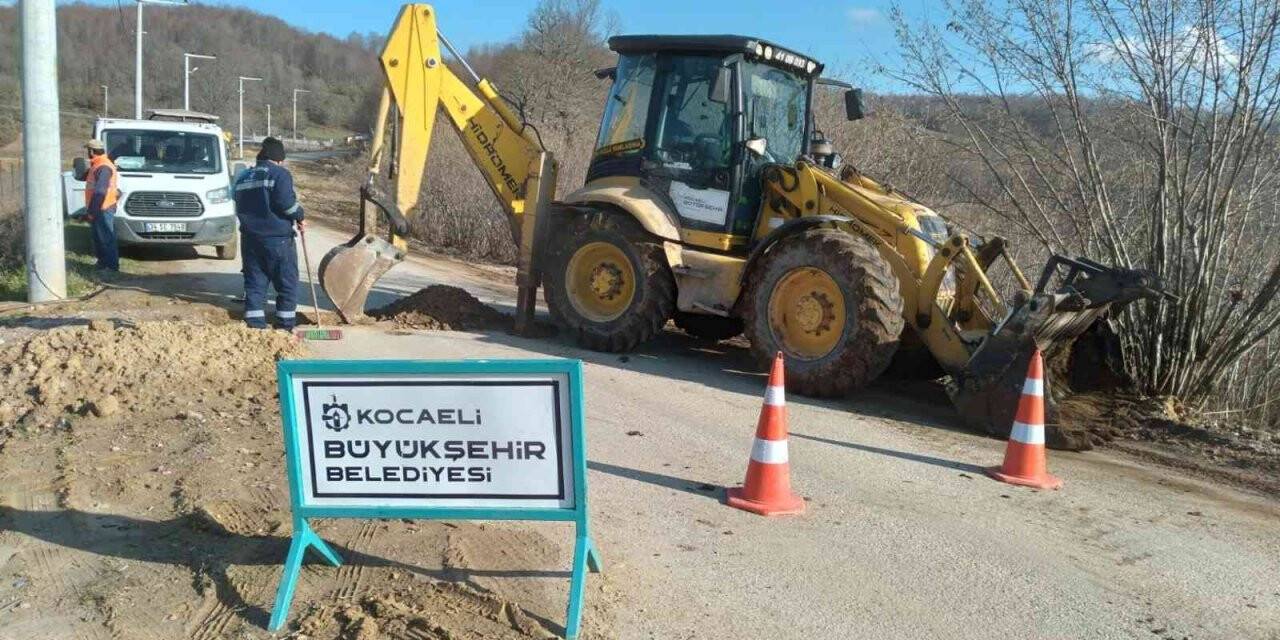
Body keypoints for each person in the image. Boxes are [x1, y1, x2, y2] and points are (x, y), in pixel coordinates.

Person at [234, 137, 304, 330]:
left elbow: (237, 201)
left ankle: (255, 326)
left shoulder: (243, 177)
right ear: (279, 159)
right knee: (287, 283)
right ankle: (284, 325)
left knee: (255, 283)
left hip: (249, 239)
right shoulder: (279, 174)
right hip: (277, 240)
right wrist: (300, 215)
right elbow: (286, 204)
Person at [83, 139, 120, 274]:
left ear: (92, 151)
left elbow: (100, 192)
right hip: (102, 207)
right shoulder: (99, 165)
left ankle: (111, 267)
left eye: (88, 150)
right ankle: (103, 264)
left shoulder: (103, 167)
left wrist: (92, 211)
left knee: (106, 238)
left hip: (103, 208)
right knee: (100, 238)